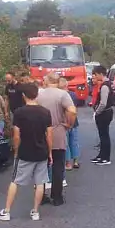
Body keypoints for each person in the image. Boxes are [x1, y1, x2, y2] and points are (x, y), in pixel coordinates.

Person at [0, 83, 52, 222]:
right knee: (40, 182)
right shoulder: (45, 112)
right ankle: (35, 212)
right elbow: (49, 135)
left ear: (24, 96)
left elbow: (16, 135)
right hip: (42, 152)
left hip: (25, 152)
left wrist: (16, 150)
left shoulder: (19, 112)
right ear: (37, 94)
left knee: (15, 181)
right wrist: (49, 152)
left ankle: (7, 211)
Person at [37, 73, 77, 206]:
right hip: (58, 131)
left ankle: (41, 195)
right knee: (58, 165)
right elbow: (72, 111)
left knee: (41, 166)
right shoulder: (62, 95)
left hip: (41, 132)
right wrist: (69, 124)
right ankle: (57, 196)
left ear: (47, 81)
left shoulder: (39, 94)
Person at [91, 66, 115, 165]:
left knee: (104, 135)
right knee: (102, 135)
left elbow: (103, 103)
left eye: (96, 75)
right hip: (106, 112)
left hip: (104, 113)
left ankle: (106, 158)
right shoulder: (107, 84)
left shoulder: (105, 86)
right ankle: (101, 155)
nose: (95, 77)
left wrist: (96, 112)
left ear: (101, 74)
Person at [59, 77, 80, 170]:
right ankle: (75, 161)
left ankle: (67, 163)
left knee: (66, 143)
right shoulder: (73, 94)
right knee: (74, 142)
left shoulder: (60, 96)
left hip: (64, 122)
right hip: (74, 121)